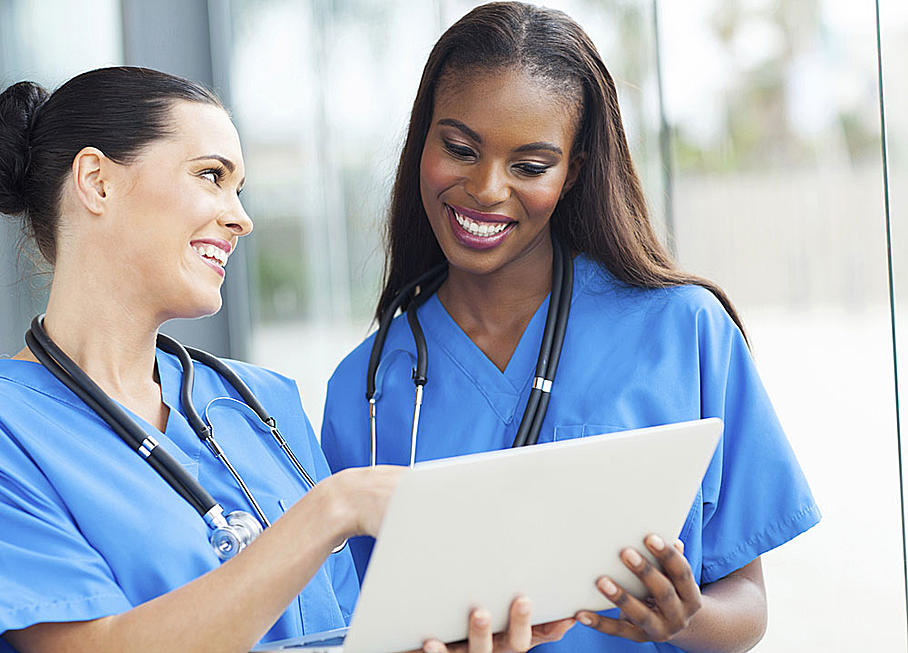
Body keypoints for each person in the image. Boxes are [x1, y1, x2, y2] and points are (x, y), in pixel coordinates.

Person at [0, 66, 570, 653]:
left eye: (241, 188)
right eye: (211, 176)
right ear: (97, 181)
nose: (241, 219)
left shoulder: (262, 402)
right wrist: (331, 510)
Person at [320, 3, 820, 652]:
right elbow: (349, 626)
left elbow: (747, 606)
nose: (486, 189)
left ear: (571, 172)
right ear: (423, 140)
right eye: (460, 148)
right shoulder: (361, 388)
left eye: (529, 166)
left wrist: (683, 618)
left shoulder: (685, 331)